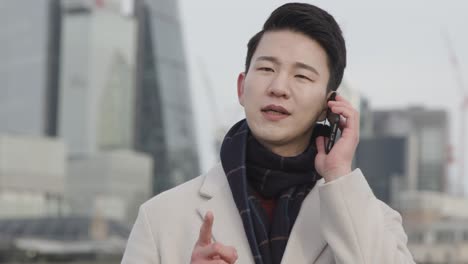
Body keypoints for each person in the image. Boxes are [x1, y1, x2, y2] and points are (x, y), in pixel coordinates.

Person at [121, 3, 416, 264]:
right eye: (265, 69)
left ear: (330, 105)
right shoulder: (160, 218)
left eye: (301, 76)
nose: (278, 87)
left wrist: (338, 173)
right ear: (241, 87)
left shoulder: (377, 221)